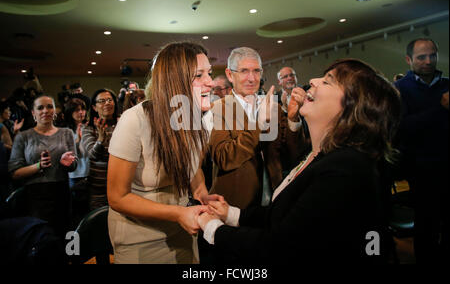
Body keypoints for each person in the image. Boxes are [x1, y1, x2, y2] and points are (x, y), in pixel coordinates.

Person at [197, 58, 402, 264]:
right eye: (244, 71)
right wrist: (232, 214)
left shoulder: (345, 168)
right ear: (231, 75)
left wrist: (213, 228)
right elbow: (284, 215)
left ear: (351, 105)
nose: (312, 80)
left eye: (327, 81)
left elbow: (282, 247)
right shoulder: (321, 156)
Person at [107, 42, 219, 264]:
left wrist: (203, 195)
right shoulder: (135, 120)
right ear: (173, 80)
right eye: (199, 75)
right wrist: (177, 213)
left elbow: (193, 168)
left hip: (182, 232)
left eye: (209, 73)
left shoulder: (195, 119)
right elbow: (117, 197)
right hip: (138, 240)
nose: (211, 82)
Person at [209, 47, 306, 209]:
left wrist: (292, 120)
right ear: (229, 74)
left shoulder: (273, 106)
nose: (251, 78)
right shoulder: (218, 109)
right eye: (244, 71)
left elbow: (293, 155)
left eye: (256, 71)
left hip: (274, 202)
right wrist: (258, 125)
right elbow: (224, 158)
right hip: (233, 206)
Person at [394, 38, 448, 263]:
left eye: (432, 56)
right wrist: (440, 109)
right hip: (420, 168)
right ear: (409, 60)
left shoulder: (446, 84)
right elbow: (402, 128)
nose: (428, 61)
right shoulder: (399, 90)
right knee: (427, 224)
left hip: (446, 161)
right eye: (421, 57)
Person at [8, 95, 77, 238]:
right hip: (34, 196)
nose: (45, 110)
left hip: (62, 191)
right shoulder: (23, 136)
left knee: (68, 235)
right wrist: (39, 166)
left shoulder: (66, 133)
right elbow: (14, 173)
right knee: (40, 238)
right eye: (40, 108)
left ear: (55, 111)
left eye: (49, 106)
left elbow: (74, 165)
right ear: (33, 113)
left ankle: (71, 258)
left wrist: (68, 164)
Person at [81, 88, 118, 210]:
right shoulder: (88, 128)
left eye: (109, 100)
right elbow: (92, 155)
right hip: (98, 187)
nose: (107, 103)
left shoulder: (123, 123)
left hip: (121, 183)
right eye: (102, 101)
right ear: (94, 107)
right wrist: (101, 138)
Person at [64, 98, 90, 227]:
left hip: (89, 172)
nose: (81, 112)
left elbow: (89, 152)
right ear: (70, 112)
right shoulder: (66, 131)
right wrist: (77, 141)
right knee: (76, 211)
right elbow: (68, 154)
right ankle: (75, 241)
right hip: (75, 175)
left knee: (89, 210)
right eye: (77, 110)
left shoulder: (89, 126)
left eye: (83, 109)